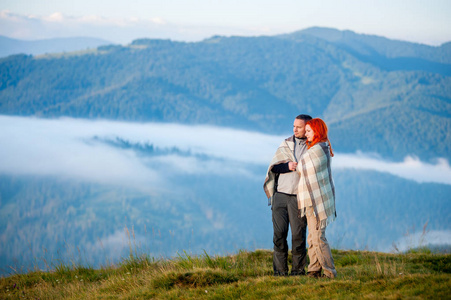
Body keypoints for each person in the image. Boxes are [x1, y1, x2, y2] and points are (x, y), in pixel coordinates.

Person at [263, 114, 312, 276]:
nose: (295, 129)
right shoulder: (286, 144)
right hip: (280, 196)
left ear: (307, 127)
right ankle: (279, 272)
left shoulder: (314, 147)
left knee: (298, 236)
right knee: (279, 235)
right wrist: (287, 166)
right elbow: (273, 167)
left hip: (299, 198)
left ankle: (298, 271)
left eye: (299, 127)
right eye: (294, 126)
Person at [296, 118, 337, 278]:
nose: (306, 135)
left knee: (319, 237)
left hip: (317, 201)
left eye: (308, 131)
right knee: (312, 237)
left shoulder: (319, 149)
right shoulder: (318, 148)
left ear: (316, 131)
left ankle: (329, 272)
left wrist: (299, 164)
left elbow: (301, 167)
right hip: (313, 199)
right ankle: (314, 270)